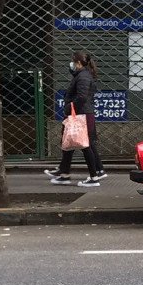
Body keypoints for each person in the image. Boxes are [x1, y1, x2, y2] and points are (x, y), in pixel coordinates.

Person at [45, 51, 107, 187]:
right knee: (70, 143)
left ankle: (94, 176)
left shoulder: (83, 77)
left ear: (78, 63)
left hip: (80, 115)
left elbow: (82, 96)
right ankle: (65, 174)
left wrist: (70, 107)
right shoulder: (82, 75)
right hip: (81, 114)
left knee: (85, 145)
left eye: (73, 61)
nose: (71, 64)